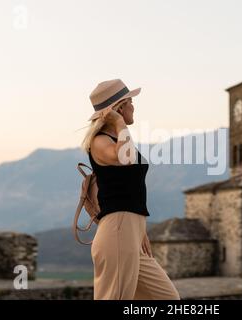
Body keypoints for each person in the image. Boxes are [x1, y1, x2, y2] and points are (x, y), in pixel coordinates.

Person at [80, 79, 180, 300]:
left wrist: (139, 231)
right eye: (131, 102)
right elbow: (126, 160)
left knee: (167, 299)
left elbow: (128, 188)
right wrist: (118, 123)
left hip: (130, 233)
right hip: (117, 231)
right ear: (120, 107)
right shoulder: (100, 141)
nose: (134, 107)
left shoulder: (118, 139)